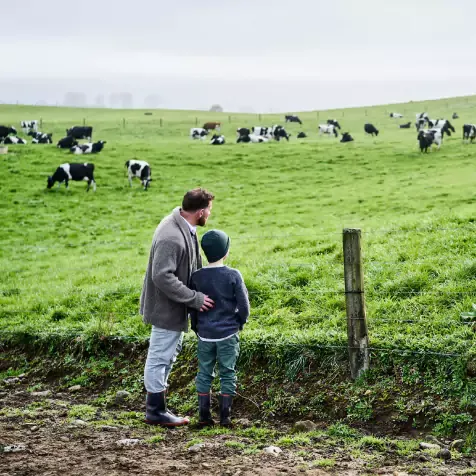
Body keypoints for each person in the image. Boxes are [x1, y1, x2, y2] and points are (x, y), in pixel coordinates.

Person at [140, 188, 215, 426]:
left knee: (167, 356)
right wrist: (195, 298)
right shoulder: (171, 236)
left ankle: (159, 407)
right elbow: (162, 276)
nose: (210, 215)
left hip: (174, 306)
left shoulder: (182, 225)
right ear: (201, 212)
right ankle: (155, 411)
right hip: (166, 308)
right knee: (160, 357)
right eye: (210, 210)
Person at [189, 230, 250, 426]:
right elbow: (244, 306)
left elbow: (193, 307)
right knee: (228, 372)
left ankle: (204, 416)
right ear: (226, 252)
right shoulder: (233, 275)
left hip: (205, 334)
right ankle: (225, 417)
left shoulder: (196, 277)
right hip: (228, 334)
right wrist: (240, 321)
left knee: (204, 372)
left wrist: (196, 327)